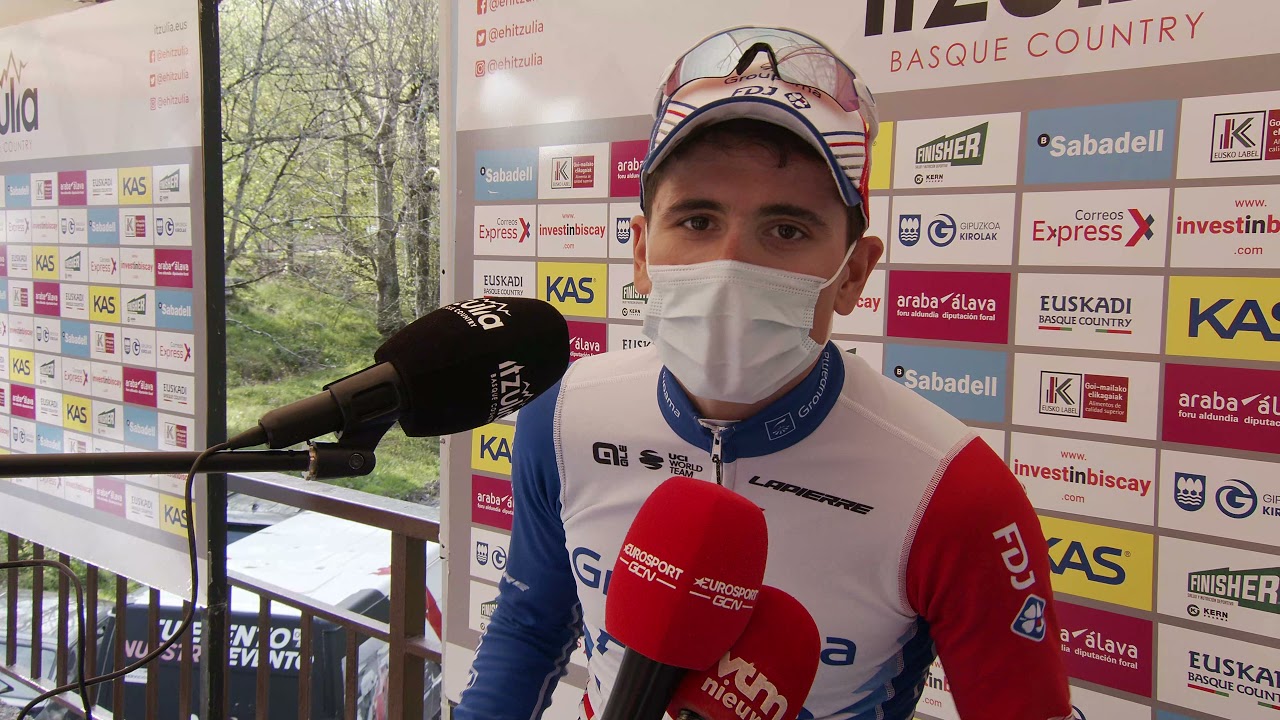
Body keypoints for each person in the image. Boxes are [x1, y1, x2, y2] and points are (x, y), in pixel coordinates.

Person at [456, 27, 1072, 720]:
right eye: (697, 220)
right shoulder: (562, 416)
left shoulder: (955, 492)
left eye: (786, 230)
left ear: (854, 274)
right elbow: (528, 631)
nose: (729, 264)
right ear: (641, 253)